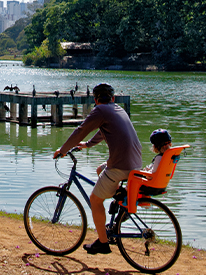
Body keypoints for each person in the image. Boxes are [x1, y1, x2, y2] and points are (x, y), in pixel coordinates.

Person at [52, 83, 142, 255]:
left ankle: (102, 243)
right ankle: (121, 203)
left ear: (95, 100)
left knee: (95, 200)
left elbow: (80, 130)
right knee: (100, 169)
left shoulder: (100, 111)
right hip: (135, 163)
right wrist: (87, 145)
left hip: (120, 166)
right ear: (113, 98)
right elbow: (103, 131)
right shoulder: (117, 109)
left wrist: (62, 151)